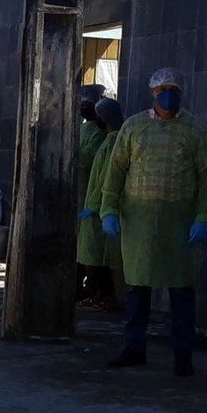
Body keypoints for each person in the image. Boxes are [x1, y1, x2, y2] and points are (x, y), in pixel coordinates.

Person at [100, 67, 207, 377]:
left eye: (174, 91)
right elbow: (116, 171)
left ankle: (182, 354)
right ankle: (134, 348)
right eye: (162, 90)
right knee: (138, 290)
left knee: (181, 292)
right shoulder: (133, 127)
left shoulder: (194, 130)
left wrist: (204, 215)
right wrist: (108, 208)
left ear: (181, 94)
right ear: (152, 93)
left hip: (179, 222)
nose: (168, 96)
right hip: (138, 221)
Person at [76, 97, 126, 312]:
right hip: (95, 204)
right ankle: (99, 294)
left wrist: (95, 204)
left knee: (102, 256)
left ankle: (109, 295)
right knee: (95, 256)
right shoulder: (108, 140)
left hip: (101, 208)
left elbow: (106, 177)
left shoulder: (113, 143)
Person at [76, 84, 107, 301]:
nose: (84, 107)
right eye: (82, 104)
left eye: (88, 104)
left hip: (91, 193)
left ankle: (94, 288)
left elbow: (86, 158)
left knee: (92, 246)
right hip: (78, 193)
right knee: (79, 244)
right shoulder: (82, 129)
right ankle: (79, 285)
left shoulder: (99, 133)